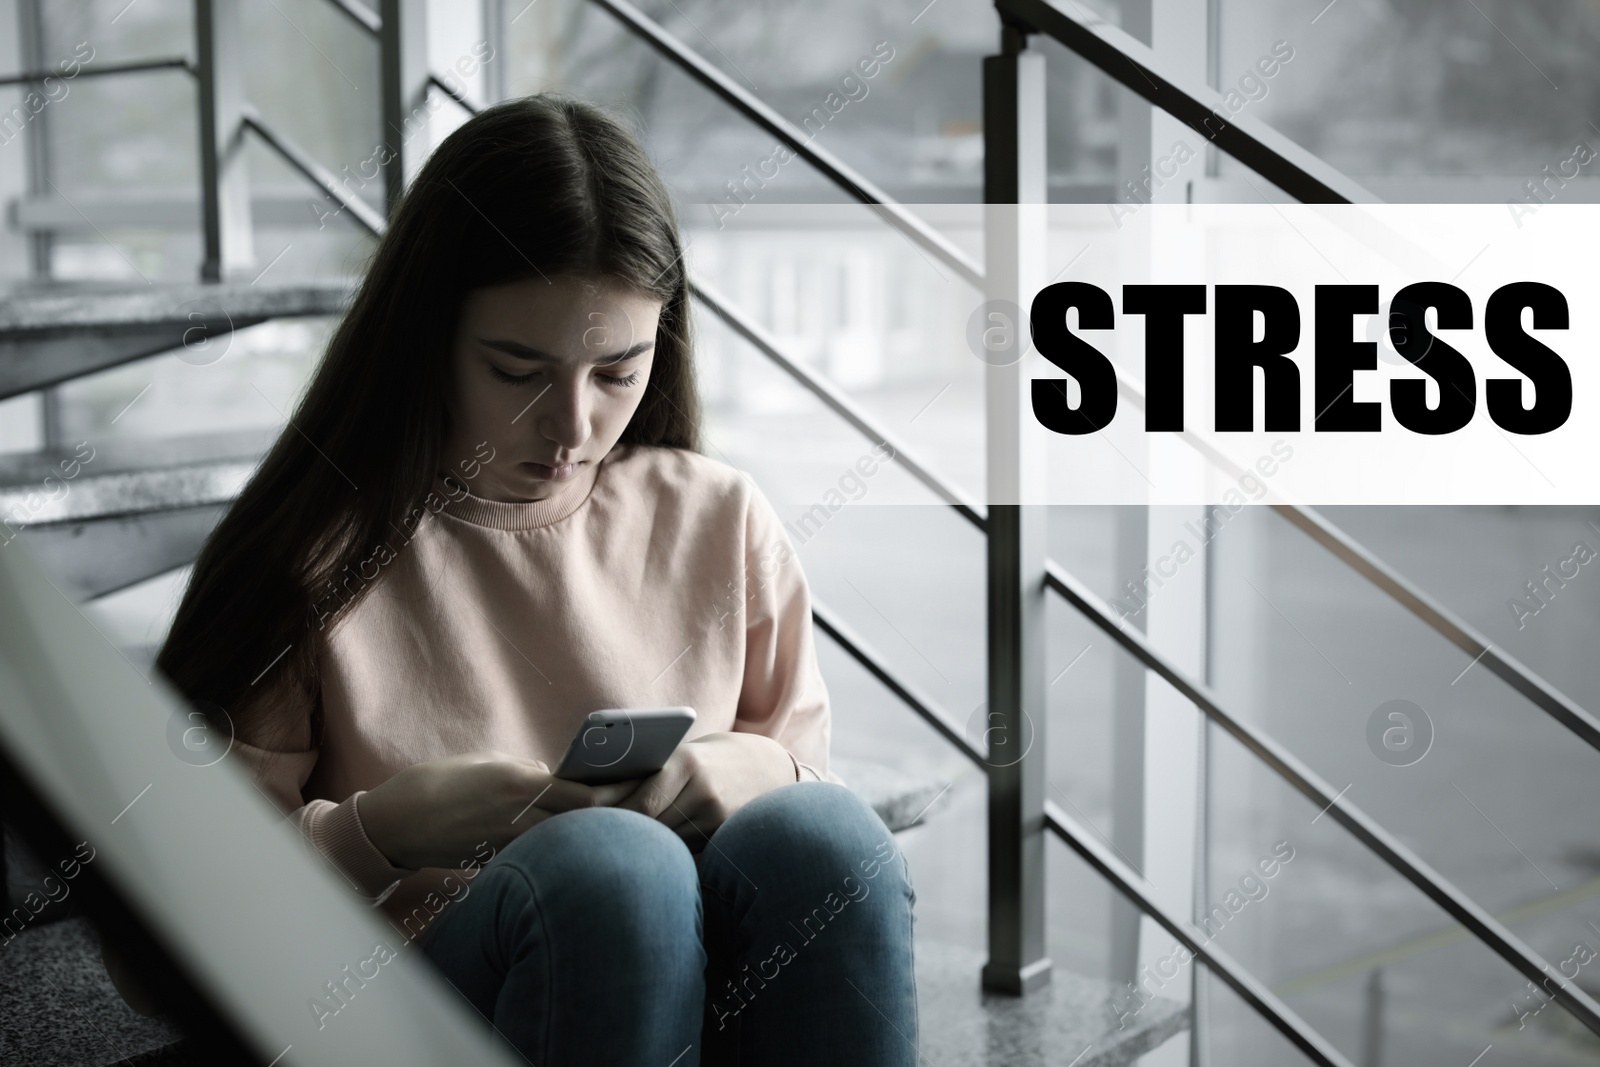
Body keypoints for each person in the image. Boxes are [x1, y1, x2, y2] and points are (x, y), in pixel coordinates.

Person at [107, 95, 919, 1064]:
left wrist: (740, 770)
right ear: (427, 338)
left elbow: (805, 802)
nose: (572, 425)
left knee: (825, 836)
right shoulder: (311, 561)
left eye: (617, 372)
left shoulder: (720, 519)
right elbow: (170, 938)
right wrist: (384, 831)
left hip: (694, 1011)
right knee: (613, 871)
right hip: (396, 1019)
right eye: (516, 369)